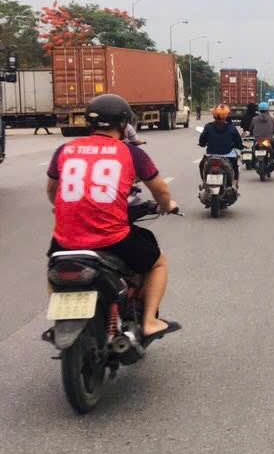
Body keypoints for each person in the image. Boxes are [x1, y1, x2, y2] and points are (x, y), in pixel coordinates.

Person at [46, 93, 180, 340]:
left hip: (66, 238)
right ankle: (149, 321)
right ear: (124, 122)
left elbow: (52, 190)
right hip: (112, 238)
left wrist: (62, 208)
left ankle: (59, 318)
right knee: (158, 262)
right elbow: (160, 189)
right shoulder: (130, 152)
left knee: (55, 268)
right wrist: (166, 205)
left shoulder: (65, 149)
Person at [199, 103, 244, 183]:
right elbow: (239, 143)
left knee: (201, 165)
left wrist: (203, 144)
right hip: (228, 157)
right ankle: (234, 184)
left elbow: (202, 142)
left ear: (214, 115)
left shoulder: (208, 127)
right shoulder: (231, 128)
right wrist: (240, 146)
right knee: (235, 169)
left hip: (211, 156)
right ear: (226, 115)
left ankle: (204, 183)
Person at [248, 101, 274, 168]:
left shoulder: (254, 119)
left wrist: (251, 134)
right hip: (268, 140)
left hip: (258, 140)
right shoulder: (272, 119)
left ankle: (252, 161)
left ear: (259, 110)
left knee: (253, 148)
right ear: (267, 110)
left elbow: (251, 129)